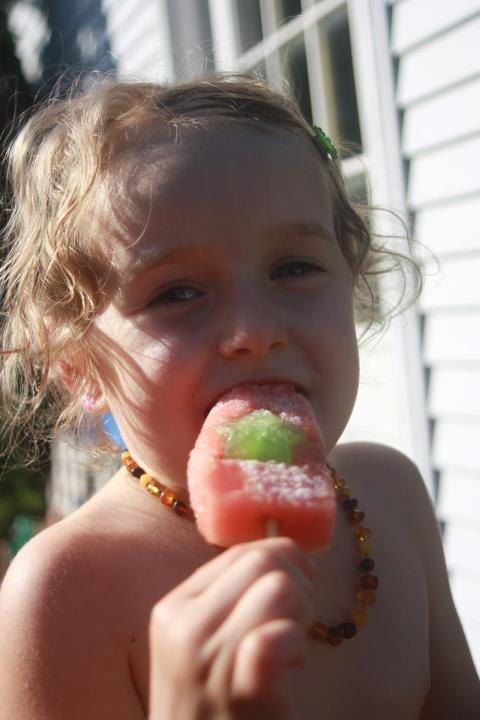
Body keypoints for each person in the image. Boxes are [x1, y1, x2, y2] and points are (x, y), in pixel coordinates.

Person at [0, 75, 478, 720]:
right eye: (177, 292)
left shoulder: (392, 491)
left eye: (294, 267)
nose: (256, 331)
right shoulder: (64, 589)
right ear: (76, 363)